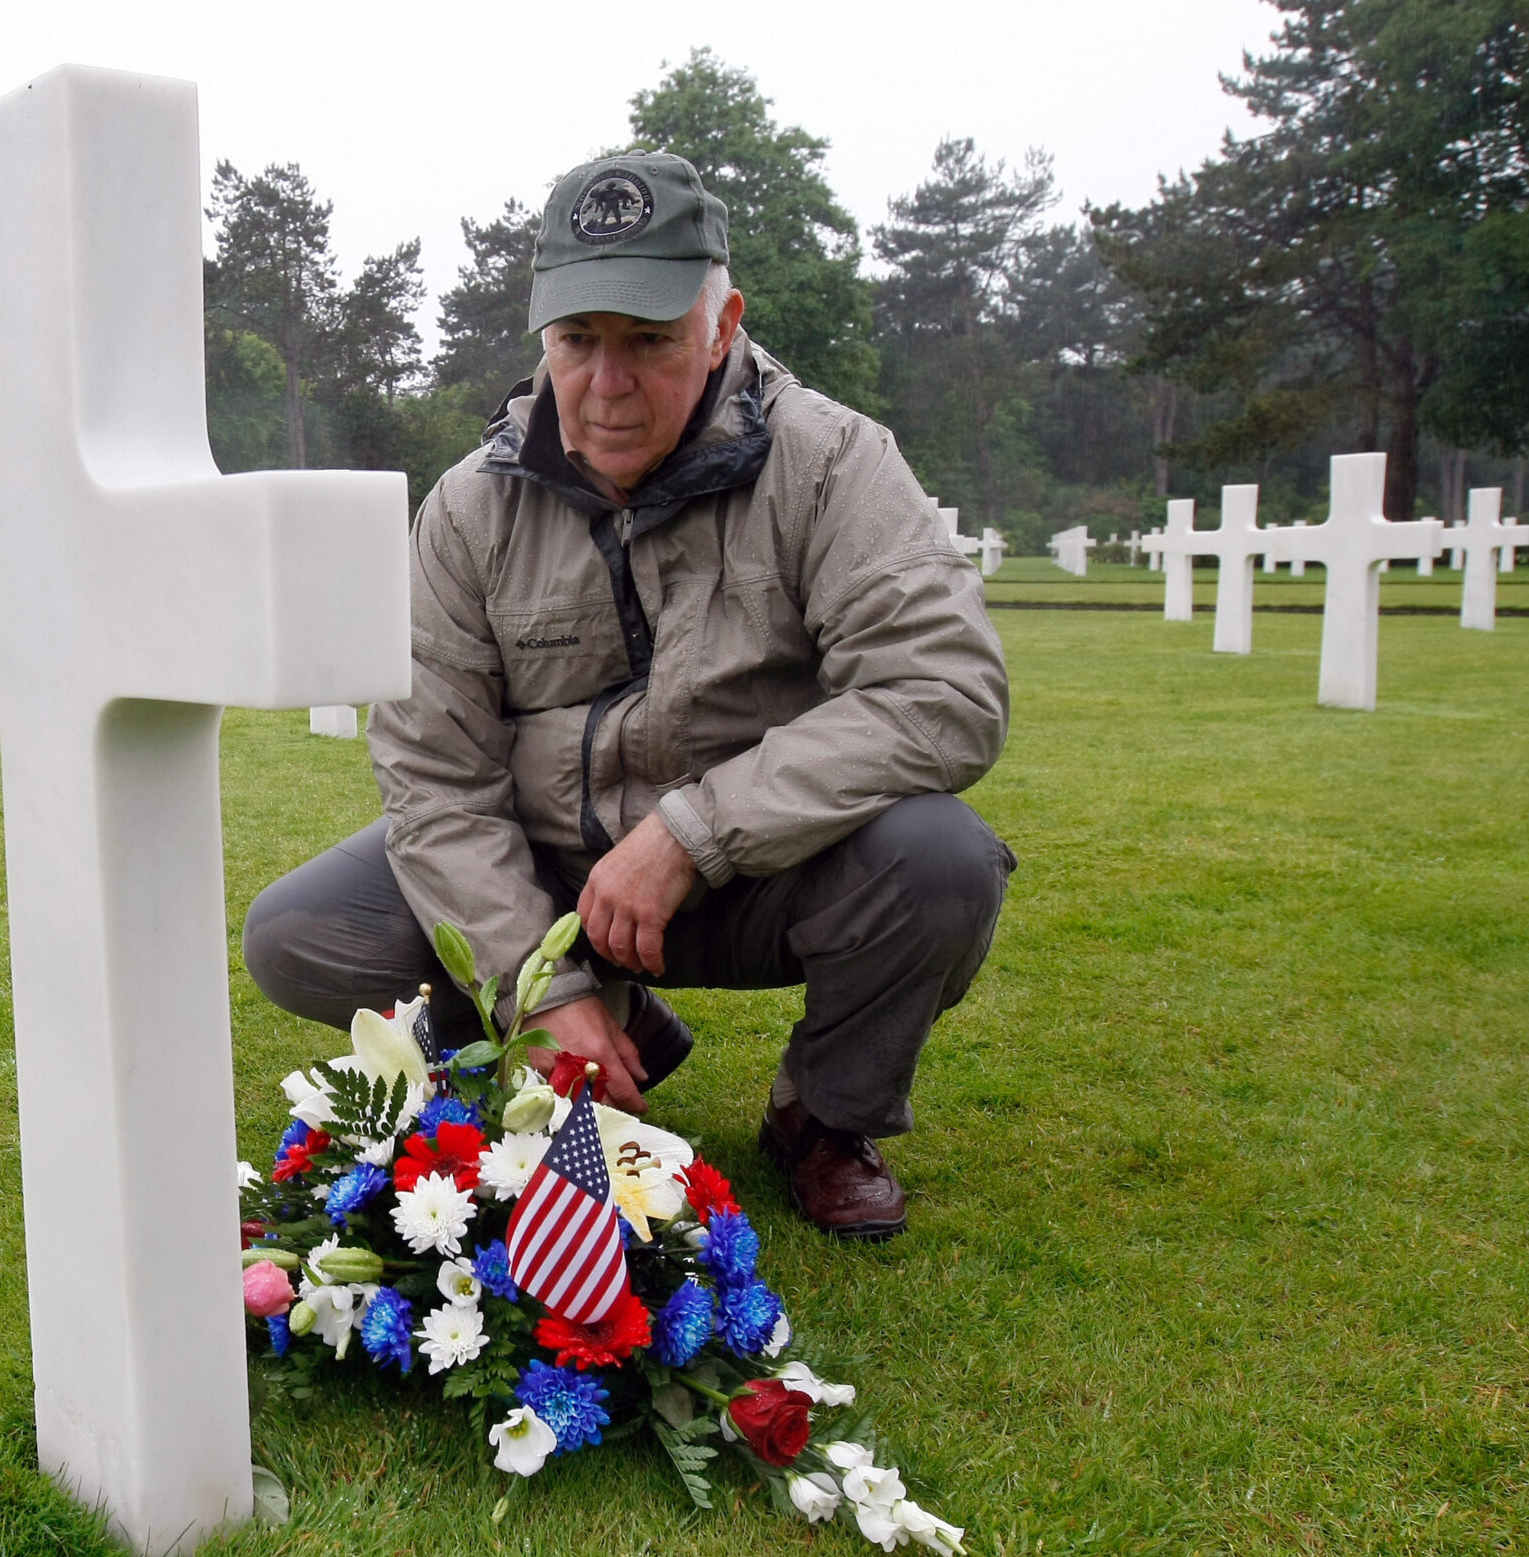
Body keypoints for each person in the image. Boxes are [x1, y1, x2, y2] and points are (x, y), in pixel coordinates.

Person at [242, 150, 1014, 1240]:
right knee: (303, 931)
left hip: (756, 874)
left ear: (721, 321)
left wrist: (694, 832)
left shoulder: (832, 461)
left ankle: (823, 1116)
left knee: (941, 862)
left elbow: (944, 689)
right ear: (541, 338)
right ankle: (606, 1014)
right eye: (576, 342)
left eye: (648, 342)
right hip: (550, 871)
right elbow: (434, 777)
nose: (607, 384)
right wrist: (538, 985)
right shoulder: (470, 508)